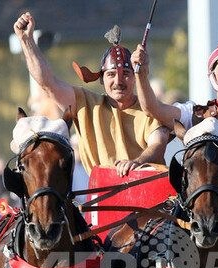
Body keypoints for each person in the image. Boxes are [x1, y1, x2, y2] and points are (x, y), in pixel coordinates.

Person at [14, 13, 169, 177]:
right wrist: (27, 40)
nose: (118, 80)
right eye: (111, 74)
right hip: (100, 197)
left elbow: (157, 144)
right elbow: (48, 83)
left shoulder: (150, 109)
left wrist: (136, 163)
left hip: (148, 197)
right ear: (102, 79)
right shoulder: (86, 103)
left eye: (125, 74)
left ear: (134, 77)